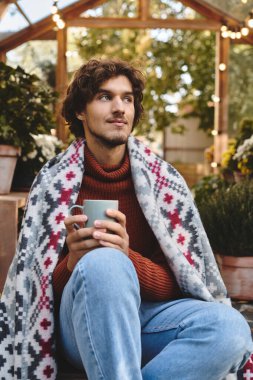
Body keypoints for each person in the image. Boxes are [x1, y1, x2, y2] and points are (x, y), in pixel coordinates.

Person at [0, 59, 252, 380]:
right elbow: (35, 291)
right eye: (105, 97)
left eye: (127, 98)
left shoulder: (165, 182)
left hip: (149, 320)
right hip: (77, 326)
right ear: (80, 111)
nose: (119, 107)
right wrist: (74, 263)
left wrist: (128, 257)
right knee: (103, 264)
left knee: (229, 327)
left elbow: (181, 281)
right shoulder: (52, 183)